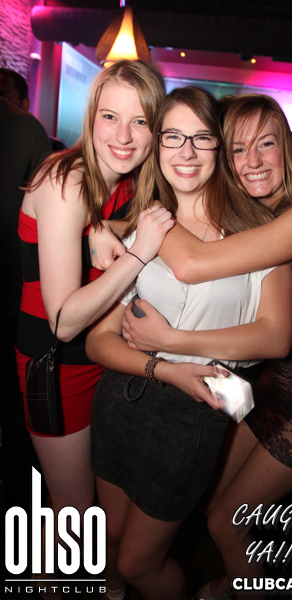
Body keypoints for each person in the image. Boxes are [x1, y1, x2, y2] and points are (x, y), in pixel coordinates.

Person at [122, 94, 292, 599]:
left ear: (288, 148)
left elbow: (191, 264)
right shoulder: (250, 217)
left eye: (266, 144)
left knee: (226, 523)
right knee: (211, 501)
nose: (252, 161)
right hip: (266, 382)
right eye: (237, 148)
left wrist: (142, 212)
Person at [85, 87, 292, 600]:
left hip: (193, 413)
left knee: (139, 563)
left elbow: (277, 336)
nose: (186, 151)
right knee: (110, 540)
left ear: (218, 147)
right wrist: (165, 367)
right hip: (123, 396)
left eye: (201, 138)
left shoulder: (259, 230)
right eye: (173, 136)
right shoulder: (145, 228)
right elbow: (98, 341)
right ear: (157, 146)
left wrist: (175, 345)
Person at [14, 59, 172, 589]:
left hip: (101, 357)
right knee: (74, 517)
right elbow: (62, 321)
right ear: (90, 117)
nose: (123, 137)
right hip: (55, 366)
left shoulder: (120, 181)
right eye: (110, 117)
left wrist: (103, 228)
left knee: (97, 513)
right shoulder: (67, 179)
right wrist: (139, 250)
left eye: (140, 121)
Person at [0, 97, 50, 514]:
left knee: (22, 423)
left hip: (18, 307)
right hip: (17, 304)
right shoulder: (26, 128)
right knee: (20, 424)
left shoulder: (25, 129)